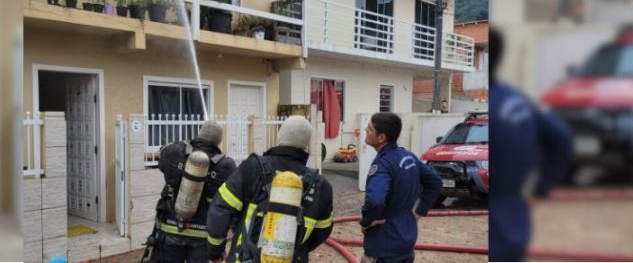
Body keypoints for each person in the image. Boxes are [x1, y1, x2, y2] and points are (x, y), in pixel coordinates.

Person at [488, 27, 573, 261]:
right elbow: (562, 139)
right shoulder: (518, 100)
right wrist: (541, 189)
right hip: (515, 222)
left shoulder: (493, 106)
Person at [206, 116, 334, 263]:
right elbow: (322, 232)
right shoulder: (320, 186)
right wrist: (296, 249)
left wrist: (215, 252)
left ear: (279, 137)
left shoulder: (252, 168)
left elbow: (220, 210)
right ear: (306, 146)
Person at [148, 121, 236, 263]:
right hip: (202, 237)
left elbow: (162, 157)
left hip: (170, 230)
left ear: (199, 134)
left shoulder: (174, 152)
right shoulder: (226, 166)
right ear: (218, 141)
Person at [360, 112, 442, 263]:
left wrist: (366, 221)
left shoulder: (383, 165)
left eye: (370, 129)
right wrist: (417, 213)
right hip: (406, 239)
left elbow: (375, 201)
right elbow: (435, 182)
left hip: (384, 244)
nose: (366, 130)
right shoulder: (407, 156)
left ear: (381, 137)